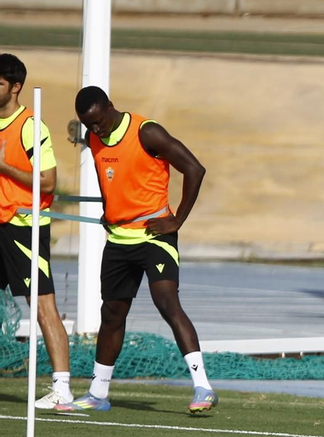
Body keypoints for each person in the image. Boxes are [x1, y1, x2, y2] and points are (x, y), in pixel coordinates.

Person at [60, 86, 216, 415]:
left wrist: (177, 221)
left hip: (154, 234)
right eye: (89, 126)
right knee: (112, 315)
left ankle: (203, 387)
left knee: (167, 303)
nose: (96, 130)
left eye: (99, 122)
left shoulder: (147, 133)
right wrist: (111, 210)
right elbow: (110, 175)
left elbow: (195, 169)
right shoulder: (93, 136)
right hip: (118, 239)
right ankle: (98, 393)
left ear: (110, 108)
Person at [0, 54, 76, 409]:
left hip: (23, 226)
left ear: (15, 87)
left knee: (43, 305)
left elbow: (48, 181)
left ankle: (62, 388)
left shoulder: (31, 125)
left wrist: (3, 166)